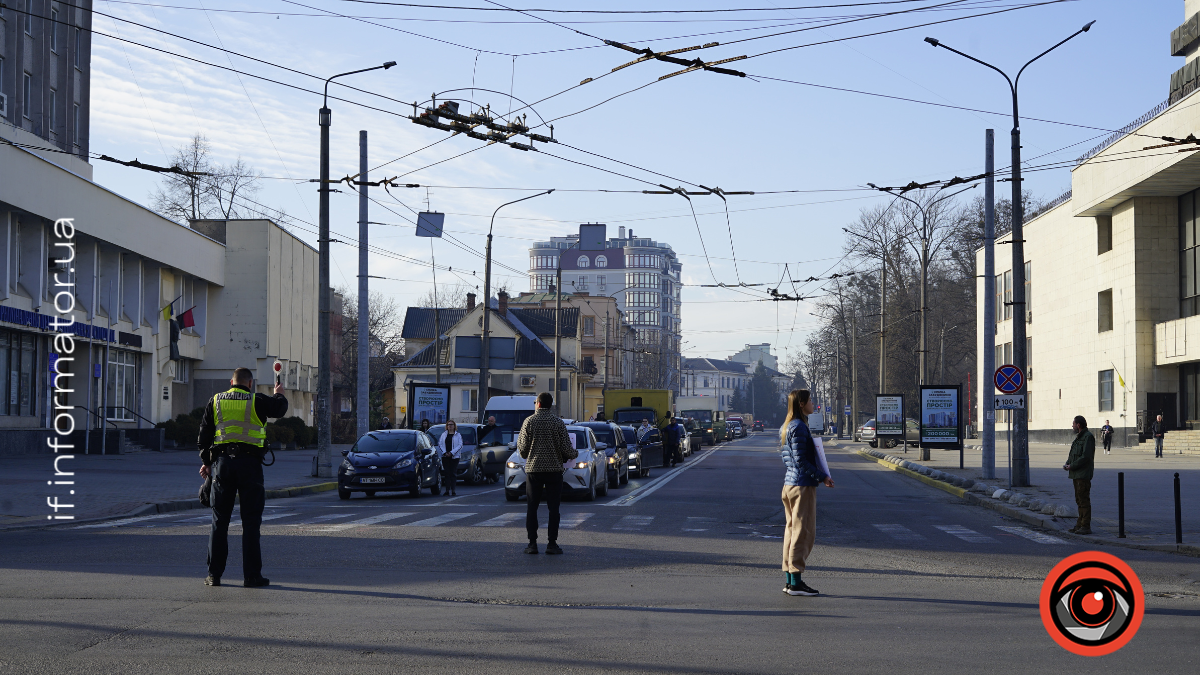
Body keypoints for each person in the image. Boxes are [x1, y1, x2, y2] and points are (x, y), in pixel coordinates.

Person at [198, 367, 289, 588]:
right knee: (250, 523)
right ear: (250, 383)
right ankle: (251, 576)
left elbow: (203, 436)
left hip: (223, 466)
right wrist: (279, 393)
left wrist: (207, 463)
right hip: (250, 466)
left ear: (231, 382)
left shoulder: (216, 400)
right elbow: (279, 409)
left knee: (219, 522)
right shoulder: (256, 400)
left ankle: (214, 575)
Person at [779, 389, 834, 597]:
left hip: (789, 484)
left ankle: (788, 580)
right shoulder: (800, 427)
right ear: (801, 404)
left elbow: (788, 460)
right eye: (810, 400)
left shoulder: (786, 427)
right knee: (803, 534)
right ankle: (796, 583)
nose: (813, 403)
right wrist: (822, 476)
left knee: (791, 532)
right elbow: (802, 462)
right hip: (802, 487)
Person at [517, 392, 577, 555]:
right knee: (554, 508)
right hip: (554, 471)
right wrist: (574, 453)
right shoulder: (557, 423)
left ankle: (532, 544)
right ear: (550, 405)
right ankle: (552, 543)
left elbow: (522, 451)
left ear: (538, 404)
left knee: (532, 507)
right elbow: (567, 449)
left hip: (534, 470)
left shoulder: (529, 422)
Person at [1062, 415, 1096, 535]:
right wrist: (1067, 463)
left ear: (1078, 425)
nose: (1072, 426)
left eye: (1073, 424)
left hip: (1083, 474)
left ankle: (1085, 526)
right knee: (1079, 500)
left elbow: (1085, 457)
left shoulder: (1088, 437)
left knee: (1084, 501)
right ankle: (1079, 524)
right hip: (1076, 474)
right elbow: (1073, 455)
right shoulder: (1079, 438)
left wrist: (1072, 466)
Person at [439, 420, 463, 496]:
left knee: (453, 473)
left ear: (454, 426)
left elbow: (460, 445)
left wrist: (452, 453)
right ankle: (447, 490)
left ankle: (453, 490)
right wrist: (445, 452)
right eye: (448, 425)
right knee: (447, 473)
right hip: (445, 456)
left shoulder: (458, 435)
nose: (450, 426)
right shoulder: (443, 434)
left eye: (451, 424)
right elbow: (440, 444)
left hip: (455, 457)